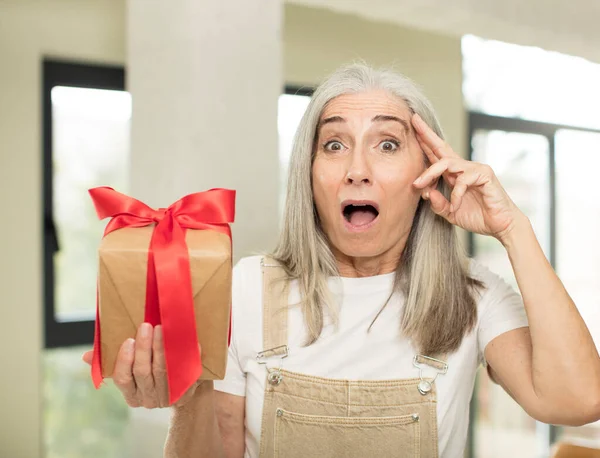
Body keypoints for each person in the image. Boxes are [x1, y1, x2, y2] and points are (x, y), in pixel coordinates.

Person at [83, 63, 600, 457]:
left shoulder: (470, 294)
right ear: (309, 175)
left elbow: (577, 401)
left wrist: (513, 229)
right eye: (334, 144)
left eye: (388, 144)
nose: (357, 169)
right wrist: (190, 394)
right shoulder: (245, 288)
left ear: (429, 176)